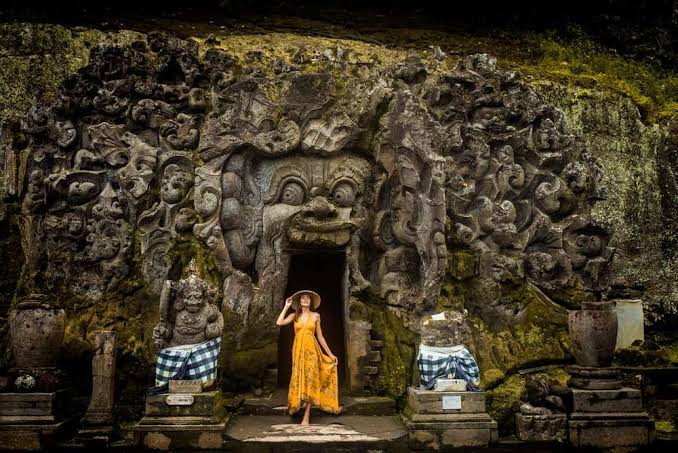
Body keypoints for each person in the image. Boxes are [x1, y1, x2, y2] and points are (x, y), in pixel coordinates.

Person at [276, 289, 341, 425]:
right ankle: (301, 402)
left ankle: (307, 415)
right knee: (299, 377)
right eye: (303, 298)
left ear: (311, 302)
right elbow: (279, 322)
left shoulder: (316, 316)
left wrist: (330, 354)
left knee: (310, 380)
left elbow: (320, 337)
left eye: (308, 298)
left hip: (312, 351)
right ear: (299, 302)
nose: (305, 300)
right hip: (298, 352)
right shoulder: (294, 316)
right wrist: (286, 306)